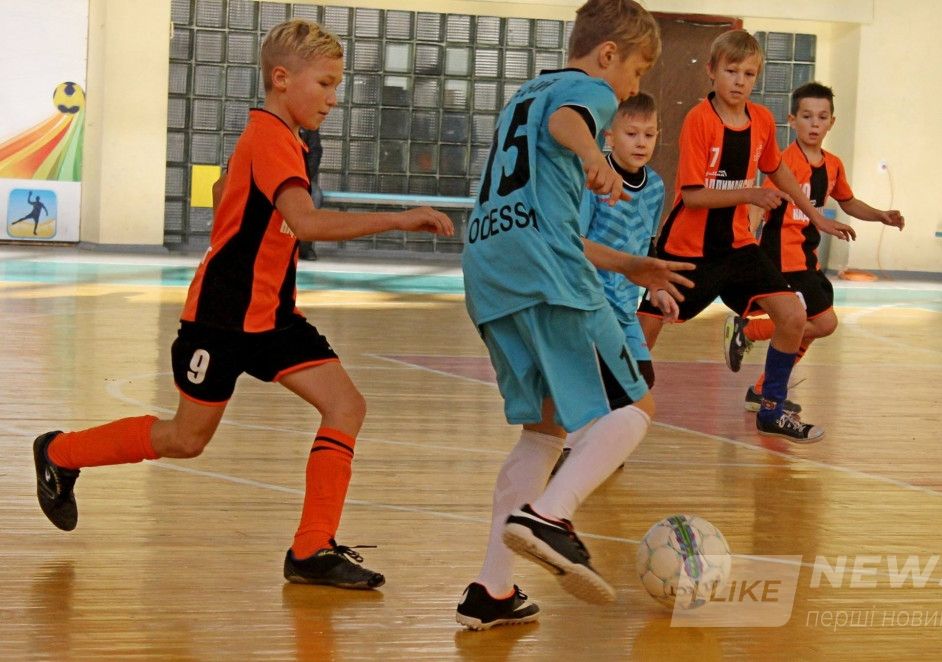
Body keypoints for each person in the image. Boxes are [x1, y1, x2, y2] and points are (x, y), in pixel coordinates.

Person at [31, 19, 453, 589]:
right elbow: (305, 222)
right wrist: (400, 219)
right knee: (186, 439)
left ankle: (311, 549)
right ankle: (60, 452)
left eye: (337, 85)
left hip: (273, 316)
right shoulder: (272, 137)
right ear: (281, 79)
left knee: (346, 406)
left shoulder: (279, 138)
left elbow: (223, 197)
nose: (333, 98)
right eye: (325, 84)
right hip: (222, 319)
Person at [456, 0, 694, 630]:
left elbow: (546, 215)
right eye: (636, 72)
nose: (632, 88)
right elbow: (571, 121)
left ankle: (492, 590)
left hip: (490, 269)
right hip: (546, 272)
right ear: (609, 54)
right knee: (634, 408)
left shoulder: (524, 95)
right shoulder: (587, 90)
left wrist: (630, 265)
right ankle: (549, 515)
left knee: (545, 428)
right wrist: (593, 154)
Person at [637, 29, 856, 443]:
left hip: (739, 246)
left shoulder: (761, 120)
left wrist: (817, 216)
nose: (740, 81)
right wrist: (751, 193)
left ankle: (771, 408)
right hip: (689, 249)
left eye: (749, 74)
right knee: (643, 336)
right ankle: (608, 412)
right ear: (712, 71)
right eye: (731, 71)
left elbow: (779, 171)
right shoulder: (699, 119)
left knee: (793, 315)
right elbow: (693, 196)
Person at [726, 82, 904, 412]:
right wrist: (747, 239)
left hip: (808, 259)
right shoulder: (783, 162)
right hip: (783, 257)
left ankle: (763, 389)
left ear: (831, 122)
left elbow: (848, 202)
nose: (814, 123)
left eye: (822, 117)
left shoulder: (833, 165)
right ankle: (750, 331)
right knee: (824, 323)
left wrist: (881, 215)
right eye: (807, 116)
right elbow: (759, 203)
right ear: (792, 120)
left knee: (809, 328)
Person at [557, 92, 677, 469]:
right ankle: (573, 449)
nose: (641, 142)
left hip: (626, 304)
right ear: (609, 136)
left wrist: (657, 286)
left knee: (642, 377)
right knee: (617, 382)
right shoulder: (595, 179)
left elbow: (648, 242)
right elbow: (575, 242)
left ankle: (590, 445)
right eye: (631, 133)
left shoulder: (655, 186)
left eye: (649, 135)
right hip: (591, 298)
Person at [298, 127, 322, 260]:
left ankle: (304, 247)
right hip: (277, 178)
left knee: (316, 195)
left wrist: (304, 178)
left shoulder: (309, 124)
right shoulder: (274, 123)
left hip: (304, 178)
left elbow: (315, 152)